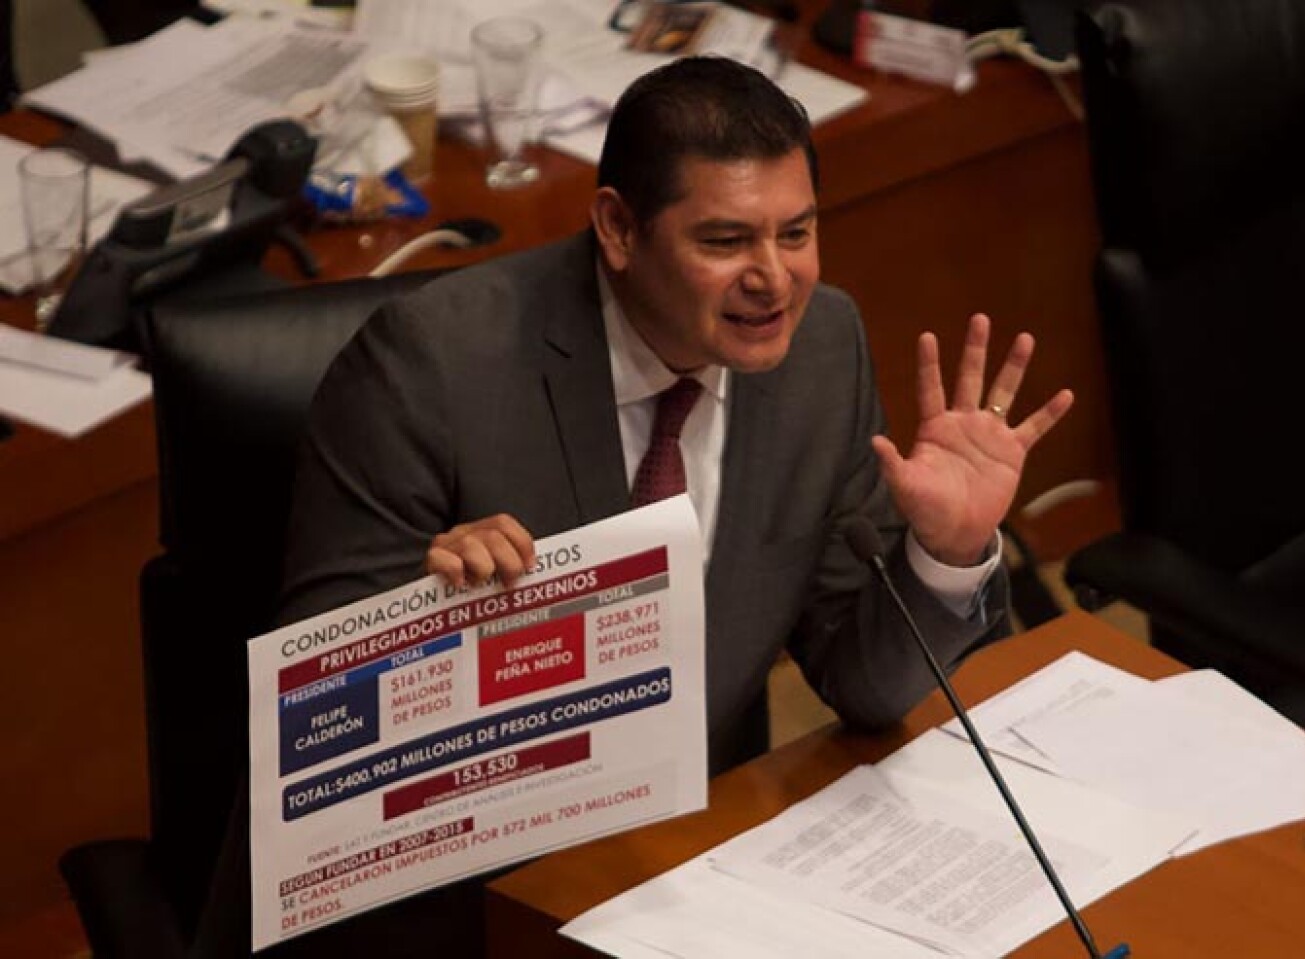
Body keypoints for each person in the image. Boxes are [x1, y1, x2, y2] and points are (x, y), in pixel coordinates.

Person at [222, 55, 1070, 957]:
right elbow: (312, 718)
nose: (775, 280)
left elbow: (862, 681)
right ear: (619, 229)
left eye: (796, 232)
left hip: (682, 874)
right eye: (725, 241)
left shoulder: (824, 349)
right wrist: (432, 615)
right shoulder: (429, 366)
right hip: (444, 908)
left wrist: (942, 551)